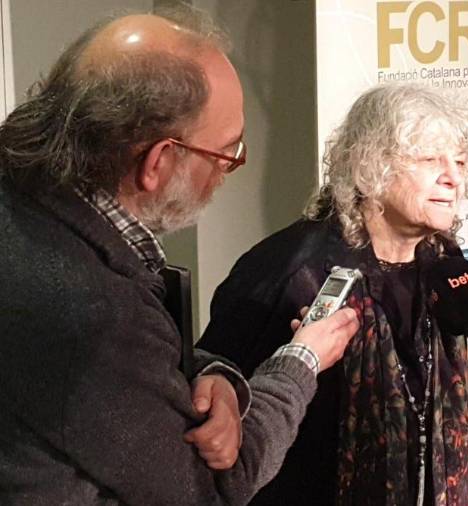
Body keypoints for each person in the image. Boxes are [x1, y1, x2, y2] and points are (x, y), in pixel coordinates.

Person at [0, 5, 358, 504]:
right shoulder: (96, 314)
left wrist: (217, 375)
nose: (228, 170)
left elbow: (139, 373)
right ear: (158, 161)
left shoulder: (24, 199)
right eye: (227, 153)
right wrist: (299, 362)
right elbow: (210, 485)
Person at [198, 83, 468, 505]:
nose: (454, 178)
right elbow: (215, 380)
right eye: (429, 160)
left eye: (460, 162)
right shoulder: (291, 269)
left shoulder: (444, 262)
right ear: (369, 164)